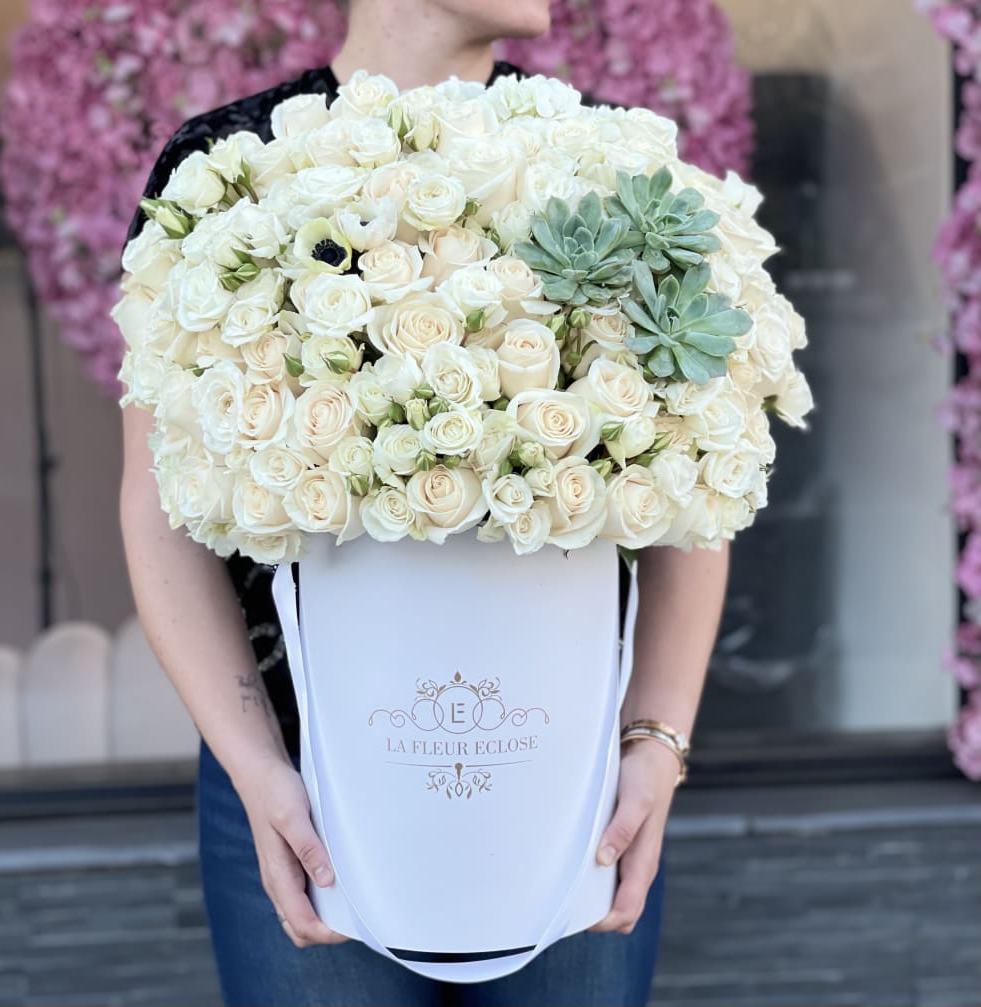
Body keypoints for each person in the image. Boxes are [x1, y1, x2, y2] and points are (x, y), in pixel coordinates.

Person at [119, 2, 732, 1004]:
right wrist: (255, 769)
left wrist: (654, 743)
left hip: (569, 773)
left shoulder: (608, 163)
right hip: (295, 773)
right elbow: (156, 507)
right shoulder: (228, 167)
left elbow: (697, 481)